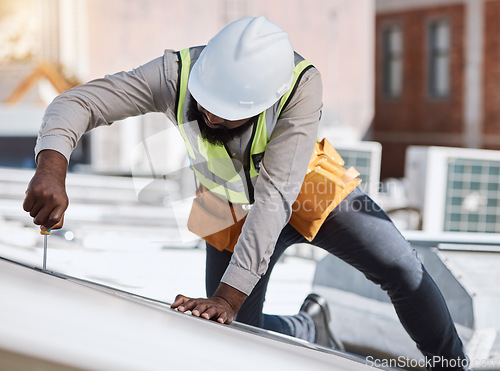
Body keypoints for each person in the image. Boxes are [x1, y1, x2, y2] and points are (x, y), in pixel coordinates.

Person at [24, 16, 469, 369]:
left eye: (228, 114)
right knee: (236, 334)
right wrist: (51, 167)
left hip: (303, 186)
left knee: (403, 268)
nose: (212, 118)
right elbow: (78, 102)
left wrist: (227, 295)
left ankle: (453, 367)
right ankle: (309, 325)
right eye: (206, 105)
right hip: (223, 200)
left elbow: (277, 195)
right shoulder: (174, 72)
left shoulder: (300, 85)